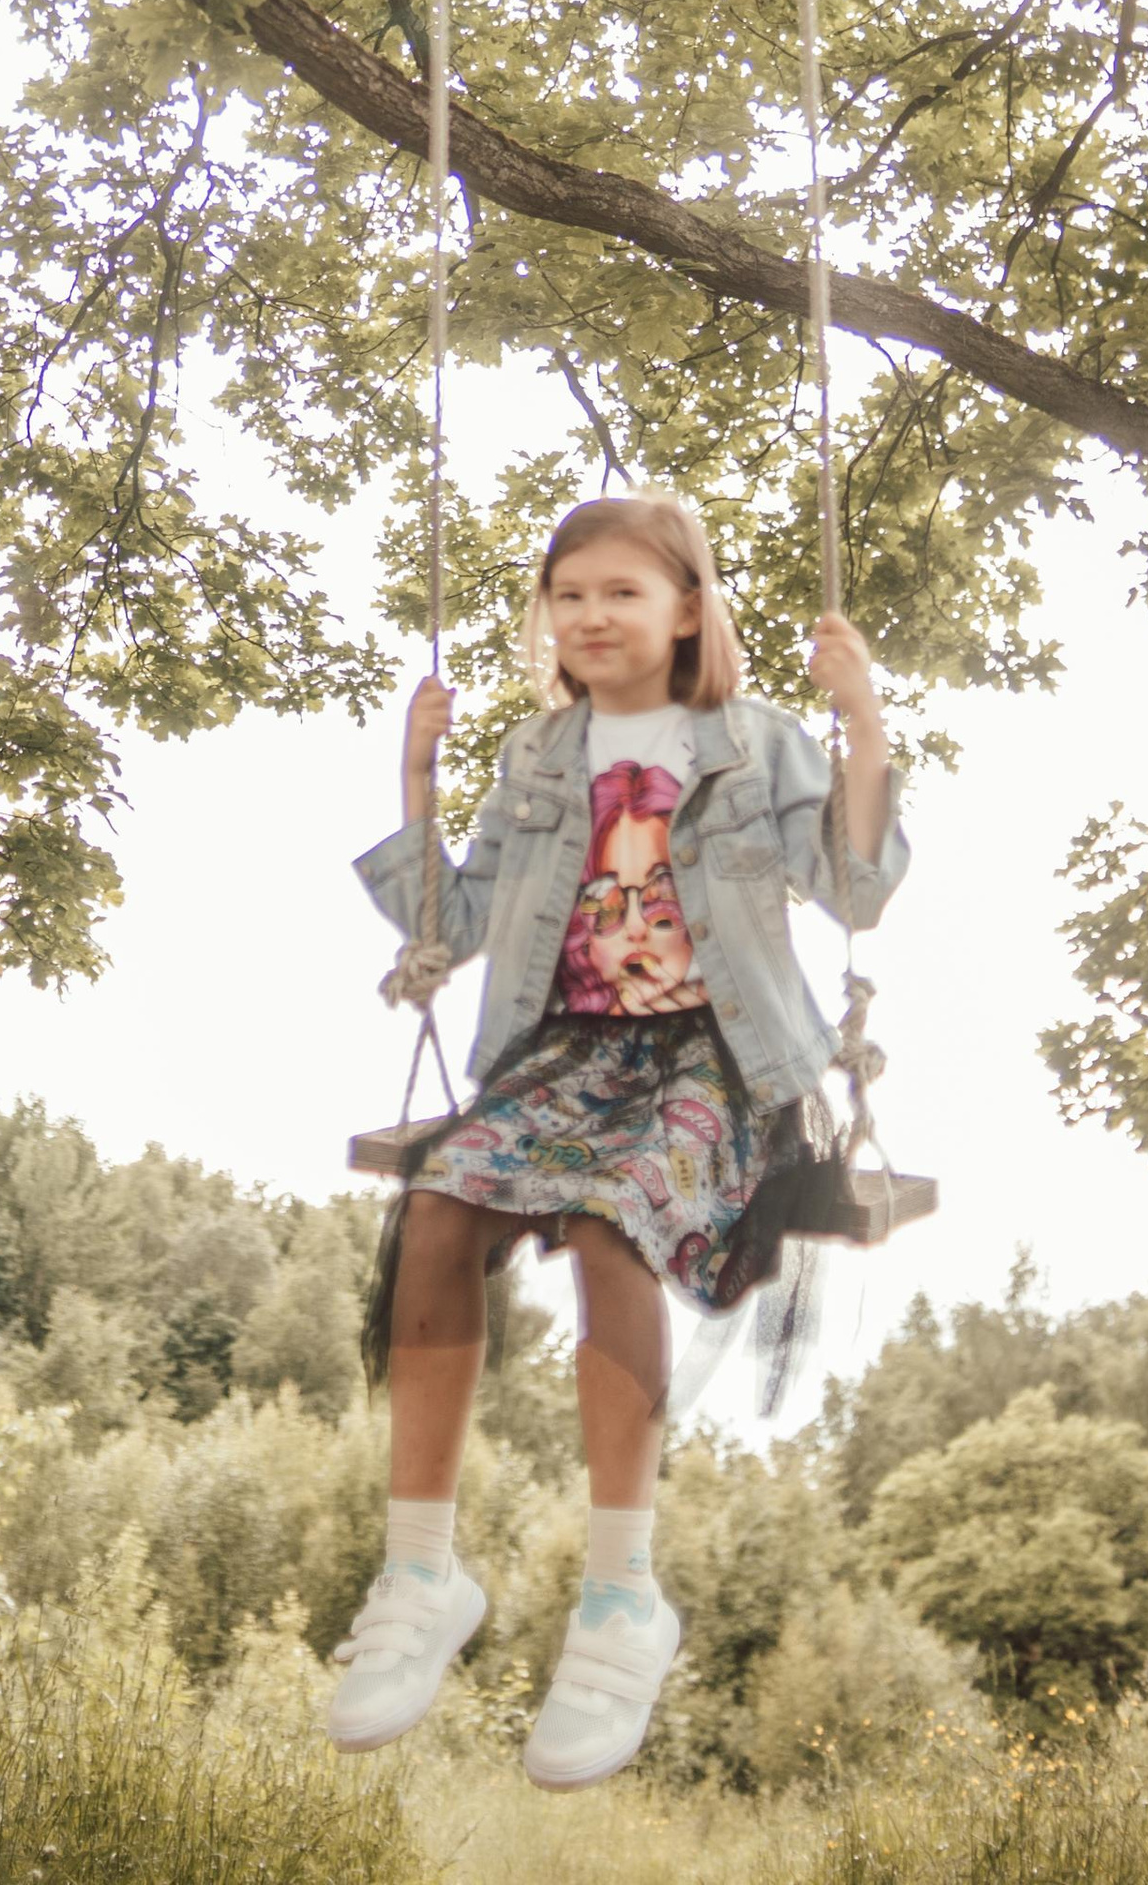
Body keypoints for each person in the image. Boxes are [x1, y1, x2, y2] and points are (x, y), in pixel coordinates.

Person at [326, 487, 906, 1789]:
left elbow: (856, 887)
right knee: (437, 1206)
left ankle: (619, 1598)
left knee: (609, 1217)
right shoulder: (538, 757)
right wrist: (415, 777)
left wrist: (862, 722)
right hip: (567, 1058)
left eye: (622, 593)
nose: (590, 616)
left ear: (687, 611)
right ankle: (420, 1574)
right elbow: (453, 924)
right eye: (569, 595)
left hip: (721, 1061)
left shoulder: (756, 744)